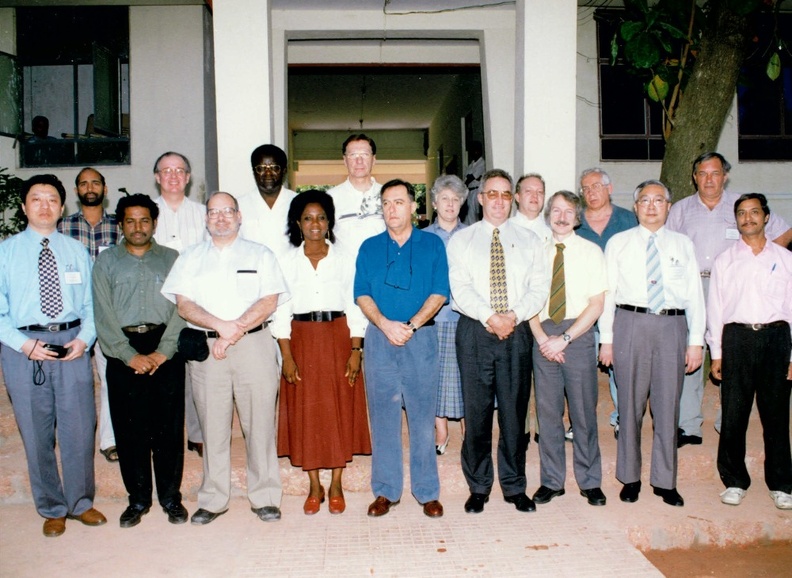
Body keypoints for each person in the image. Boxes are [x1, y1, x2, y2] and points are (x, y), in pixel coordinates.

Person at [161, 191, 289, 525]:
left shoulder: (260, 254)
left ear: (239, 215)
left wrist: (234, 331)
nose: (220, 217)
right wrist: (220, 327)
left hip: (255, 346)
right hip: (207, 350)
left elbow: (270, 300)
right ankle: (214, 499)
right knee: (212, 427)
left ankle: (264, 497)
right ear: (205, 219)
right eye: (213, 212)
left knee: (259, 424)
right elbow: (184, 304)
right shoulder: (189, 257)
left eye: (227, 211)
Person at [0, 174, 106, 537]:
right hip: (23, 347)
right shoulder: (5, 251)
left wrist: (86, 339)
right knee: (36, 431)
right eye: (36, 199)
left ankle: (80, 503)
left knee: (79, 428)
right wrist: (24, 344)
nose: (44, 206)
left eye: (51, 200)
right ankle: (52, 507)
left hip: (71, 343)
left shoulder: (76, 250)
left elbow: (92, 305)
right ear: (24, 206)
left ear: (63, 208)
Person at [666, 152, 792, 443]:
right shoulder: (682, 210)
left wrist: (760, 261)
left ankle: (728, 424)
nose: (709, 179)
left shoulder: (743, 206)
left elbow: (785, 233)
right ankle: (689, 425)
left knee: (732, 352)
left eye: (715, 173)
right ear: (694, 177)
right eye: (702, 173)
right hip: (692, 287)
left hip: (734, 288)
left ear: (725, 176)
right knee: (691, 350)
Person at [447, 169, 549, 514]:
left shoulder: (531, 240)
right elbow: (459, 288)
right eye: (492, 194)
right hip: (475, 330)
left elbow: (538, 289)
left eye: (506, 194)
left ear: (513, 199)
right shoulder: (462, 240)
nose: (499, 201)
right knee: (476, 414)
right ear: (480, 198)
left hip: (516, 330)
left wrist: (512, 316)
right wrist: (490, 316)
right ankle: (479, 486)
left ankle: (514, 485)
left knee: (513, 412)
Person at [599, 180, 705, 508]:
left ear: (669, 206)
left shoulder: (683, 243)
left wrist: (695, 341)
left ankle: (664, 481)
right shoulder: (619, 243)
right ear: (635, 207)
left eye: (659, 200)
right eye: (644, 200)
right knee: (629, 404)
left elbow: (695, 297)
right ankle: (630, 478)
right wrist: (607, 339)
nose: (651, 206)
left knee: (667, 404)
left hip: (672, 326)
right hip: (630, 323)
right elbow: (608, 295)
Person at [272, 190, 371, 515]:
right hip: (300, 339)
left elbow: (354, 304)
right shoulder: (285, 261)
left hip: (338, 336)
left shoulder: (344, 258)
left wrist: (356, 348)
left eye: (321, 218)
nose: (315, 224)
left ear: (329, 223)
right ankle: (315, 486)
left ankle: (337, 483)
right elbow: (280, 311)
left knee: (339, 407)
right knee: (308, 412)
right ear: (298, 224)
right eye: (308, 218)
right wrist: (286, 355)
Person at [354, 179, 449, 518]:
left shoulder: (433, 245)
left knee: (423, 419)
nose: (391, 209)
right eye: (386, 203)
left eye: (398, 202)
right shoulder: (369, 247)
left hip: (420, 338)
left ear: (413, 206)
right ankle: (385, 491)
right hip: (380, 339)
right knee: (383, 417)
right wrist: (385, 324)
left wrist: (410, 325)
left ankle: (427, 492)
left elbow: (439, 293)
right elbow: (362, 294)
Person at [92, 194, 187, 528]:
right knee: (130, 431)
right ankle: (138, 499)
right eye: (130, 221)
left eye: (144, 220)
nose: (137, 227)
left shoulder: (173, 259)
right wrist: (129, 355)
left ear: (155, 223)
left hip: (166, 346)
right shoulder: (106, 262)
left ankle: (170, 498)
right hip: (123, 350)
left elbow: (182, 308)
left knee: (168, 430)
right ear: (120, 225)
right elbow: (102, 315)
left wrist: (164, 349)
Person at [705, 193, 792, 510]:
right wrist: (717, 352)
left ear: (767, 217)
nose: (748, 218)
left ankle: (782, 484)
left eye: (755, 212)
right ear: (737, 219)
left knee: (777, 416)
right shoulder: (725, 260)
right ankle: (734, 481)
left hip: (776, 339)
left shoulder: (785, 260)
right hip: (737, 340)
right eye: (742, 213)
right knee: (733, 415)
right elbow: (716, 308)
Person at [528, 191, 607, 507]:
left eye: (568, 211)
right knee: (548, 414)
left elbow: (597, 304)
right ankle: (551, 481)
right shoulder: (536, 252)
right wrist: (541, 338)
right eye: (556, 210)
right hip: (542, 332)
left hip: (578, 333)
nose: (561, 216)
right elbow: (528, 300)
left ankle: (590, 482)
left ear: (577, 217)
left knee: (583, 412)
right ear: (549, 215)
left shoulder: (590, 252)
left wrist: (566, 338)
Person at [58, 167, 121, 463]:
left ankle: (110, 440)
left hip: (111, 314)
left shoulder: (119, 227)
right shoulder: (62, 227)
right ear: (76, 192)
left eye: (95, 182)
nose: (90, 187)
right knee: (75, 381)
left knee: (111, 377)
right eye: (83, 183)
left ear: (105, 189)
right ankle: (77, 441)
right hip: (76, 317)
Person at [152, 151, 206, 458]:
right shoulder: (147, 213)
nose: (173, 175)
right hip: (159, 308)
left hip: (196, 307)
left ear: (188, 177)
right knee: (164, 373)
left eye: (180, 170)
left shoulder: (202, 213)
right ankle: (163, 436)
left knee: (197, 371)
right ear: (157, 177)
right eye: (166, 170)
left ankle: (197, 435)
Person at [576, 167, 637, 439]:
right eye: (586, 188)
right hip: (583, 308)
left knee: (620, 368)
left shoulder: (629, 220)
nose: (591, 192)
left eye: (596, 186)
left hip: (619, 308)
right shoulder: (575, 223)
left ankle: (623, 417)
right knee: (580, 369)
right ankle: (579, 421)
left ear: (609, 189)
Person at [424, 174, 468, 455]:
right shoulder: (422, 238)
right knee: (434, 376)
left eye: (455, 199)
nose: (450, 204)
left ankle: (469, 430)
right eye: (444, 199)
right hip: (434, 318)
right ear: (434, 202)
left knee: (467, 376)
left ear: (462, 203)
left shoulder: (473, 234)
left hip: (466, 318)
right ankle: (440, 427)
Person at [328, 134, 385, 255]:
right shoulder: (331, 198)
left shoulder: (387, 195)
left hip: (382, 271)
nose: (359, 161)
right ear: (344, 160)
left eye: (365, 154)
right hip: (345, 272)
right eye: (353, 155)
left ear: (374, 159)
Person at [238, 144, 297, 258]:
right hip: (253, 271)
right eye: (261, 168)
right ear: (254, 171)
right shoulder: (239, 205)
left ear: (284, 171)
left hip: (290, 272)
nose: (268, 173)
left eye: (274, 168)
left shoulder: (298, 202)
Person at [510, 173, 551, 246]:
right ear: (517, 197)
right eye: (528, 191)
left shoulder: (552, 230)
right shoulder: (505, 229)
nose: (535, 195)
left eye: (540, 192)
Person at [462, 140, 485, 225]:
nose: (473, 153)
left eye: (475, 150)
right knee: (469, 215)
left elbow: (471, 177)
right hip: (469, 192)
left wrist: (465, 183)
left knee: (477, 215)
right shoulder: (471, 165)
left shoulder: (482, 163)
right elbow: (466, 177)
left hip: (477, 191)